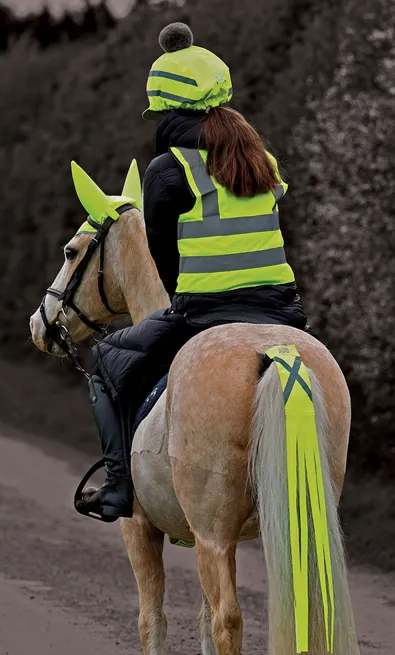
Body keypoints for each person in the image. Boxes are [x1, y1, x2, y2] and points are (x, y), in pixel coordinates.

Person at [75, 22, 309, 523]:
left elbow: (165, 263)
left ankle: (119, 488)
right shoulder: (261, 161)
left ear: (163, 108)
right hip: (286, 315)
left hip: (205, 316)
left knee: (109, 361)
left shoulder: (167, 169)